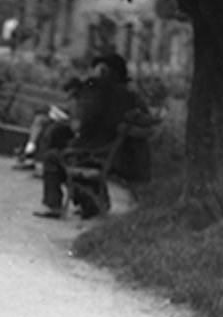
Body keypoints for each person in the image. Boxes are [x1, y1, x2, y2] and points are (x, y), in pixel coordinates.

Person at [32, 53, 151, 219]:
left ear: (103, 71)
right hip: (116, 155)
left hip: (95, 152)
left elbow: (86, 122)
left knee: (54, 155)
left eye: (95, 69)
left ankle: (54, 205)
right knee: (64, 143)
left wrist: (75, 125)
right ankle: (91, 204)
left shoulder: (99, 91)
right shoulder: (130, 96)